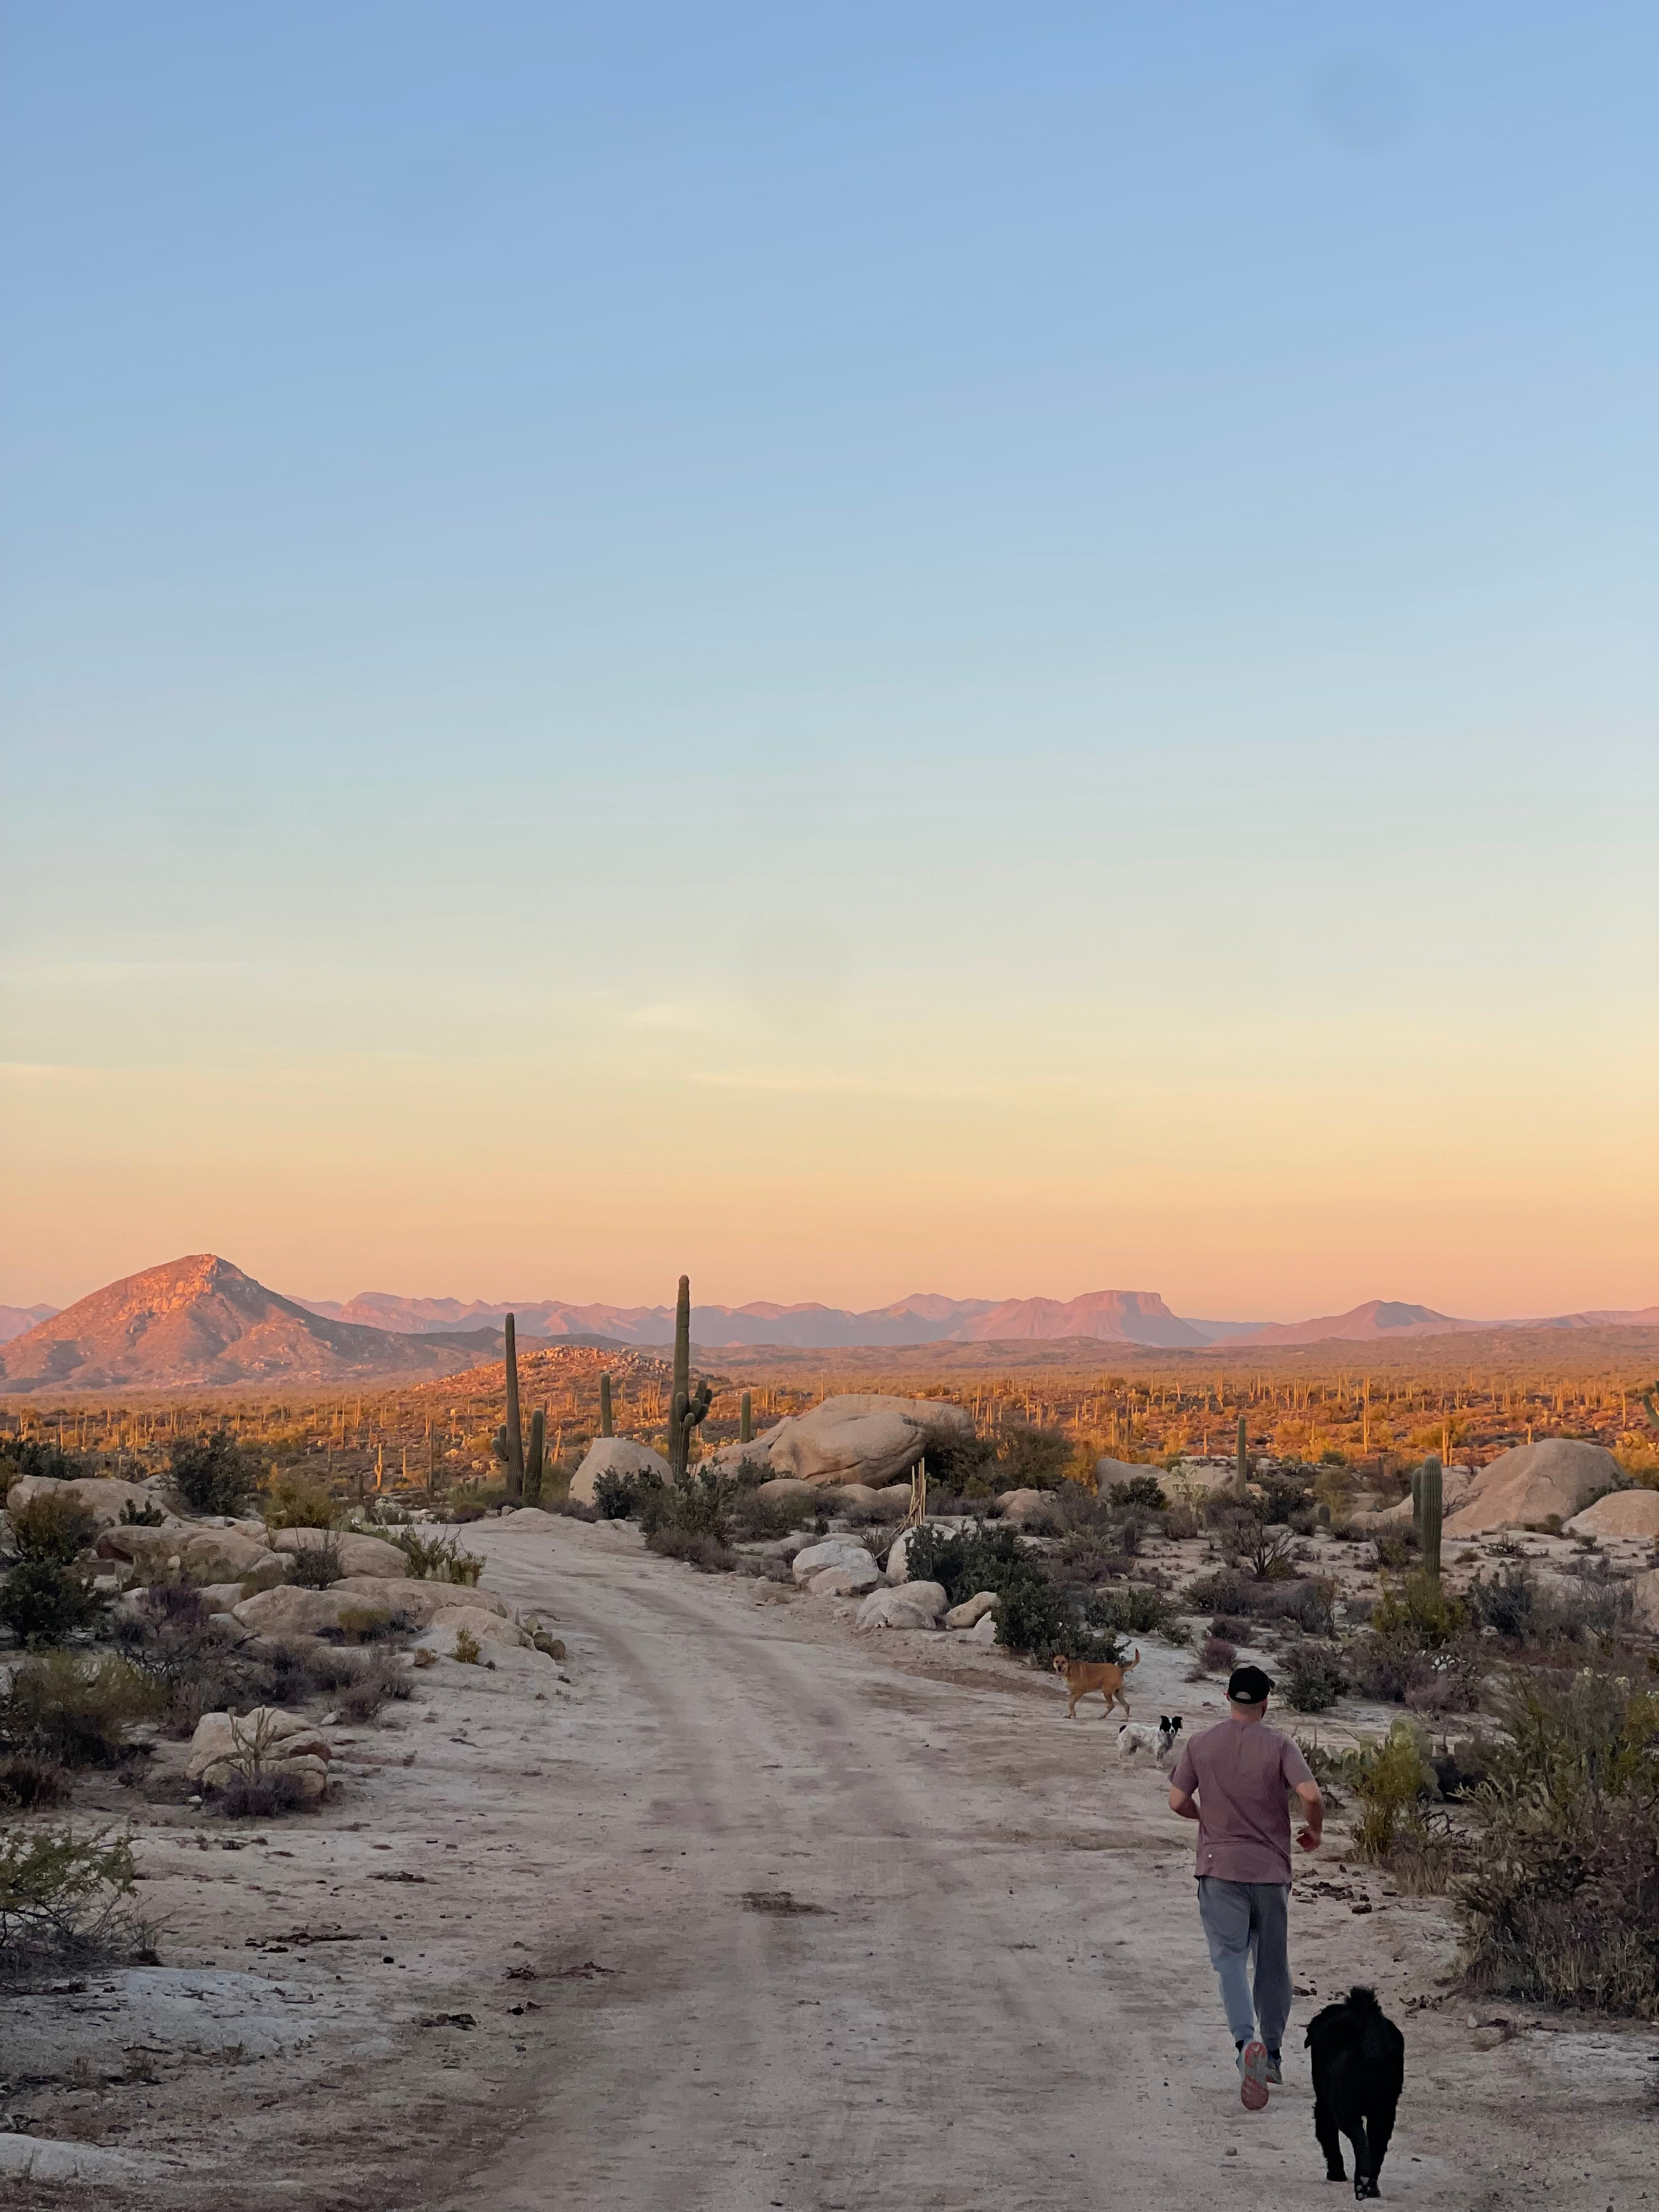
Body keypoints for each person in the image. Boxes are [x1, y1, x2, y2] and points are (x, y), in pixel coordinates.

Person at [1167, 1663, 1323, 2109]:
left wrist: (1204, 1818)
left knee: (1230, 1960)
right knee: (1272, 1962)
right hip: (1271, 1872)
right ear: (1266, 1703)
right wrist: (1315, 1831)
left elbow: (1177, 1801)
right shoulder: (1280, 1745)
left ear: (1228, 1699)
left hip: (1219, 1868)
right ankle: (1271, 2054)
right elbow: (1311, 1796)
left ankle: (1244, 2045)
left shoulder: (1200, 1743)